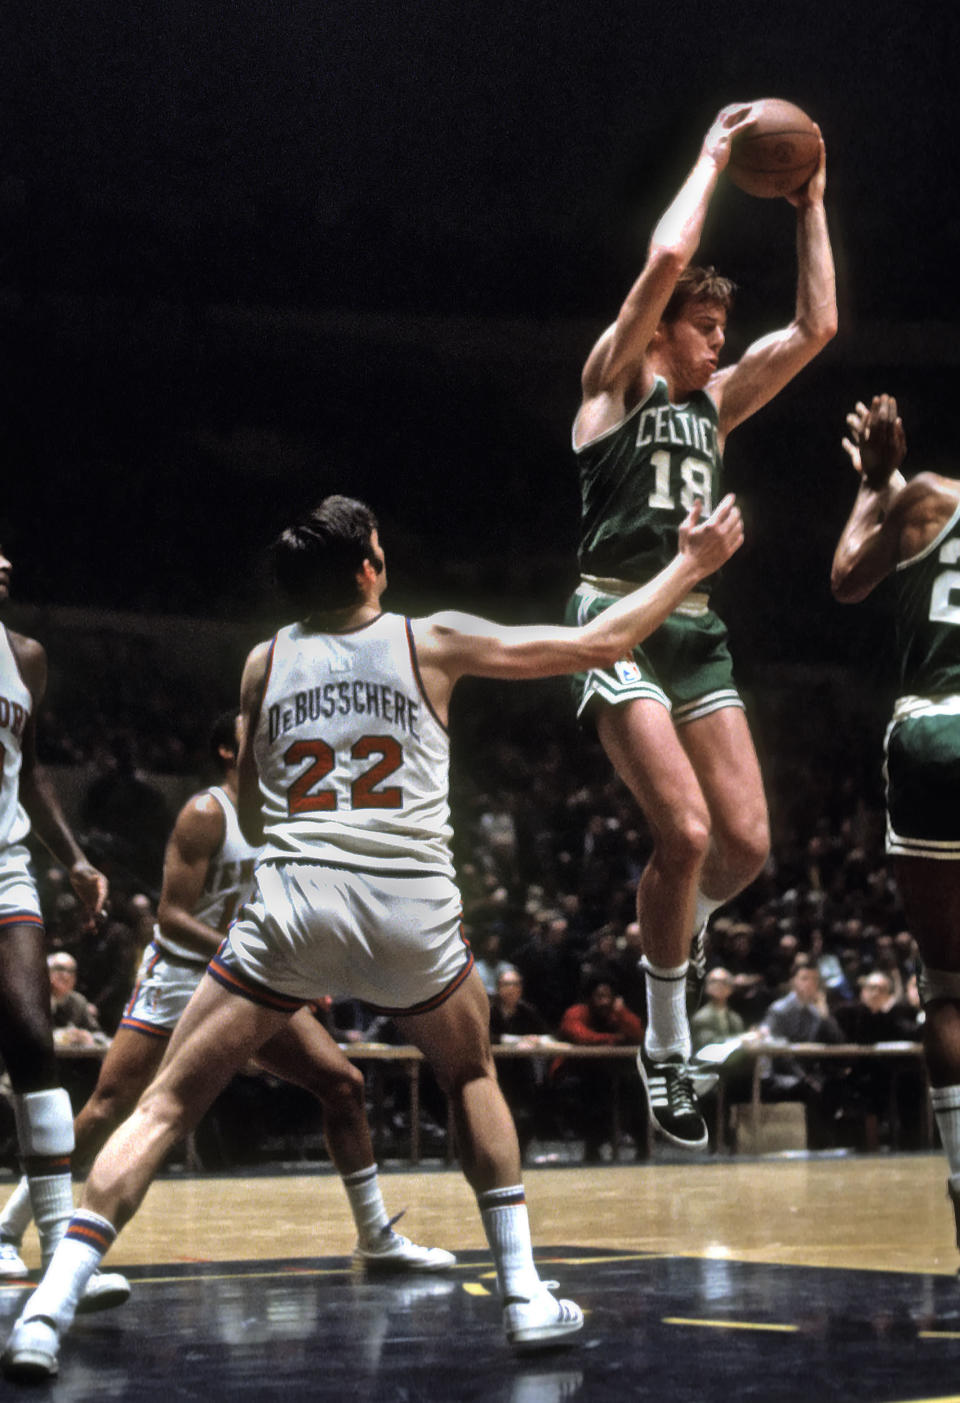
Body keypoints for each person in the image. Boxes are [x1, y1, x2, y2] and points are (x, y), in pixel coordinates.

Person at [2, 488, 743, 1377]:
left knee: (163, 1104)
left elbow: (262, 805)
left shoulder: (261, 660)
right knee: (470, 1073)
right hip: (410, 908)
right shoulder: (429, 636)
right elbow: (600, 643)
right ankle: (523, 1292)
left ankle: (48, 1307)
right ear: (368, 565)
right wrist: (691, 563)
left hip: (296, 904)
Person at [565, 101, 837, 1150]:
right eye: (707, 327)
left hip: (697, 625)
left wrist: (813, 202)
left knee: (748, 848)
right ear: (662, 327)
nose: (720, 342)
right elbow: (671, 248)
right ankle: (665, 1044)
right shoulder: (612, 383)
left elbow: (817, 330)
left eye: (723, 330)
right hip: (618, 619)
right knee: (680, 833)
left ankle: (672, 929)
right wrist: (714, 156)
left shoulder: (714, 407)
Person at [0, 711, 452, 1282]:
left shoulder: (288, 810)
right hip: (183, 975)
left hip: (245, 973)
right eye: (250, 732)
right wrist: (253, 948)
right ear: (225, 751)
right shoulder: (206, 813)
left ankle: (376, 1237)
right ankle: (8, 1229)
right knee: (109, 1107)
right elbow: (172, 916)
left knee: (343, 1085)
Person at [830, 393, 960, 1226]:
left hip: (934, 734)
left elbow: (846, 577)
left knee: (948, 988)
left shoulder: (930, 499)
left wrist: (876, 481)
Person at [0, 539, 126, 1310]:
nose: (6, 559)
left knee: (31, 1040)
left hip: (6, 863)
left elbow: (33, 768)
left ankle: (54, 1249)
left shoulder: (27, 657)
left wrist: (74, 858)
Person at [553, 975, 645, 1162]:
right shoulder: (577, 1012)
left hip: (610, 1072)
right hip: (574, 1072)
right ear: (590, 998)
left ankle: (643, 1146)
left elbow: (639, 1035)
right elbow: (582, 1037)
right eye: (599, 996)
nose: (603, 1002)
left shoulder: (617, 1013)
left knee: (636, 1087)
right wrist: (615, 1039)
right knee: (596, 1090)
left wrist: (622, 1013)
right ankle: (592, 1147)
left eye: (607, 997)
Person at [757, 961, 843, 1149]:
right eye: (804, 979)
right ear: (793, 982)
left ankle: (830, 1145)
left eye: (814, 980)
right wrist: (803, 1076)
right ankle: (815, 1146)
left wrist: (826, 1015)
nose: (810, 984)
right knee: (810, 1089)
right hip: (782, 1073)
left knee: (836, 1085)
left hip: (809, 1072)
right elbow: (778, 1051)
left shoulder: (816, 1011)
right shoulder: (779, 1010)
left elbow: (837, 1042)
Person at [488, 967, 553, 1160]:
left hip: (521, 1073)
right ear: (499, 988)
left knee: (530, 1110)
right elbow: (486, 1037)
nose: (512, 989)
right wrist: (517, 1040)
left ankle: (521, 1154)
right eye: (507, 984)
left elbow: (546, 1034)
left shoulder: (527, 1011)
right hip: (496, 1072)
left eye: (516, 984)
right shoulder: (490, 1011)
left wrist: (535, 1040)